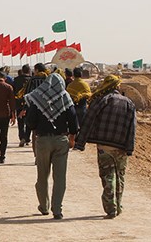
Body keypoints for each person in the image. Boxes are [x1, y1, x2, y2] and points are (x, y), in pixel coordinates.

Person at [74, 75, 136, 219]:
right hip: (121, 147)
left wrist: (80, 143)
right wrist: (129, 148)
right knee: (120, 177)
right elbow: (132, 128)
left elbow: (88, 120)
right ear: (117, 86)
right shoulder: (129, 103)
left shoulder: (101, 100)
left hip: (104, 147)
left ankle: (111, 208)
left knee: (108, 177)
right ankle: (118, 205)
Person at [25, 73, 78, 220]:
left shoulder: (37, 98)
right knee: (60, 177)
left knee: (42, 175)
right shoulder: (65, 97)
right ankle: (57, 209)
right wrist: (72, 137)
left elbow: (30, 122)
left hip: (42, 141)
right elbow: (73, 120)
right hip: (61, 140)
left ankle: (44, 206)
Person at [17, 63, 50, 148]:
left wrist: (24, 108)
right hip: (47, 108)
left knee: (33, 129)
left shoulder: (33, 80)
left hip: (34, 107)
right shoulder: (49, 79)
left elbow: (28, 95)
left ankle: (35, 153)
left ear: (37, 70)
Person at [12, 65, 31, 147]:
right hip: (29, 104)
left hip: (19, 103)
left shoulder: (16, 80)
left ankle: (22, 137)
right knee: (29, 122)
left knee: (20, 122)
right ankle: (27, 137)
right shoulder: (31, 80)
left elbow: (13, 92)